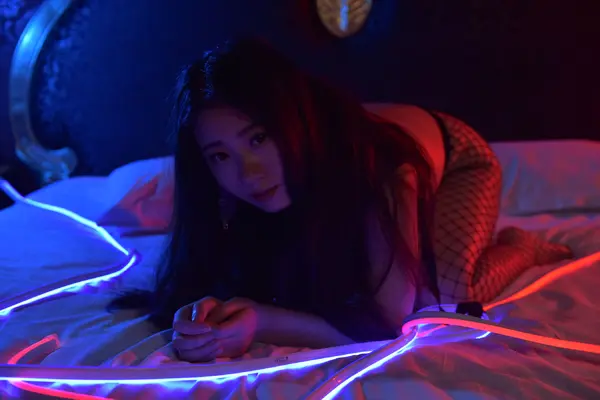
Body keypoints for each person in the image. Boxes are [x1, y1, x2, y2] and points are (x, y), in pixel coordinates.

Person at [109, 37, 573, 362]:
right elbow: (204, 274)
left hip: (456, 160)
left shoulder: (380, 170)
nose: (248, 173)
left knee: (444, 295)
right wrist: (201, 315)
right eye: (220, 155)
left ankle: (520, 247)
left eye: (259, 138)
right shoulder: (226, 191)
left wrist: (262, 320)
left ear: (289, 122)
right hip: (331, 167)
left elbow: (390, 320)